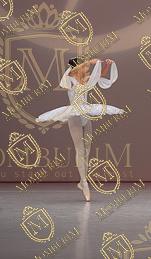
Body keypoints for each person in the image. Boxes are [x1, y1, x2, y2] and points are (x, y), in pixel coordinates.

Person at [36, 57, 124, 201]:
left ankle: (83, 180)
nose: (87, 69)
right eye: (85, 67)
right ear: (77, 68)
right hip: (74, 115)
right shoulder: (69, 80)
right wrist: (89, 61)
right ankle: (84, 182)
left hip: (86, 113)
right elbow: (70, 73)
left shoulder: (85, 80)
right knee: (80, 149)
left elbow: (100, 74)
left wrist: (107, 65)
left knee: (87, 149)